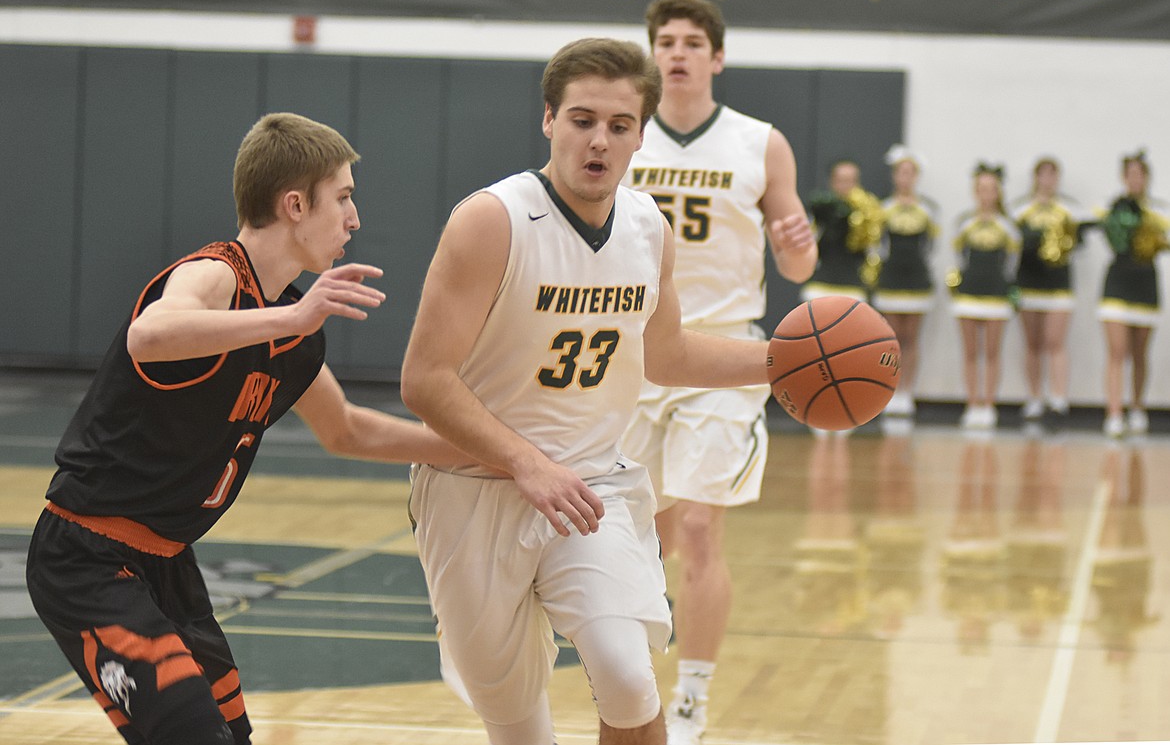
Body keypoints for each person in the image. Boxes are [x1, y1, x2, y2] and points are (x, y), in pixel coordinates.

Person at [24, 112, 477, 745]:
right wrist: (291, 315)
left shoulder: (292, 333)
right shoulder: (214, 275)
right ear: (295, 204)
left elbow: (347, 430)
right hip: (86, 555)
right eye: (343, 198)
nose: (355, 218)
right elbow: (149, 335)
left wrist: (491, 453)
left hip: (168, 563)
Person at [399, 37, 781, 745]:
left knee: (629, 677)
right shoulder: (491, 220)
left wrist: (781, 361)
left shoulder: (647, 228)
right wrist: (524, 461)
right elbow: (424, 379)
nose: (599, 140)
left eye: (619, 124)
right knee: (518, 728)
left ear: (642, 132)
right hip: (470, 492)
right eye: (581, 120)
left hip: (589, 487)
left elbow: (666, 354)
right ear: (548, 120)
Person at [619, 0, 817, 744]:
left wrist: (797, 240)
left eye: (691, 42)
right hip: (635, 353)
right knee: (647, 538)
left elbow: (800, 259)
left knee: (701, 527)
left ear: (717, 56)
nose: (677, 52)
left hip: (726, 352)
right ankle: (635, 686)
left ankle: (694, 697)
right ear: (651, 52)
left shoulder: (759, 142)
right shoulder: (624, 138)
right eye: (665, 40)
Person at [1097, 149, 1169, 438]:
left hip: (1145, 283)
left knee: (1140, 352)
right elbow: (1112, 239)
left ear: (1147, 177)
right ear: (1124, 177)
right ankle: (1114, 412)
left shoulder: (1159, 211)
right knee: (1117, 352)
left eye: (1140, 174)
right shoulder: (1115, 207)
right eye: (1130, 174)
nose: (1135, 179)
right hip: (1117, 282)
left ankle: (1137, 406)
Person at [1011, 157, 1084, 426]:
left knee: (1055, 341)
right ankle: (1034, 398)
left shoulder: (1069, 209)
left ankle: (1059, 399)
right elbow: (1013, 245)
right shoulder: (1021, 209)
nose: (1047, 181)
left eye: (1052, 175)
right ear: (1035, 177)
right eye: (1043, 175)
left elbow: (1078, 244)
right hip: (1028, 283)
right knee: (1032, 343)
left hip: (1059, 285)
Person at [949, 162, 1020, 430]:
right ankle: (971, 403)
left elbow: (1013, 261)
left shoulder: (1007, 226)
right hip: (969, 292)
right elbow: (958, 259)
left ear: (999, 192)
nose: (987, 194)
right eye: (982, 188)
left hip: (996, 293)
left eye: (992, 189)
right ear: (975, 191)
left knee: (991, 352)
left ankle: (989, 404)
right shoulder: (964, 223)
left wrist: (1007, 289)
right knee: (970, 351)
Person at [873, 144, 939, 418]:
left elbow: (933, 245)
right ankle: (889, 388)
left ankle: (907, 391)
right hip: (891, 277)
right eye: (901, 172)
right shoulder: (883, 208)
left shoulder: (928, 210)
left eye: (911, 173)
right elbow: (876, 245)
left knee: (911, 337)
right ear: (894, 176)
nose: (906, 178)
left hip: (917, 278)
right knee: (891, 338)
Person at [804, 158, 883, 303]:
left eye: (852, 180)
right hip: (821, 282)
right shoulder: (820, 208)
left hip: (853, 283)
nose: (846, 185)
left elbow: (873, 250)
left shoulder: (868, 211)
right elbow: (808, 243)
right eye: (841, 180)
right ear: (832, 181)